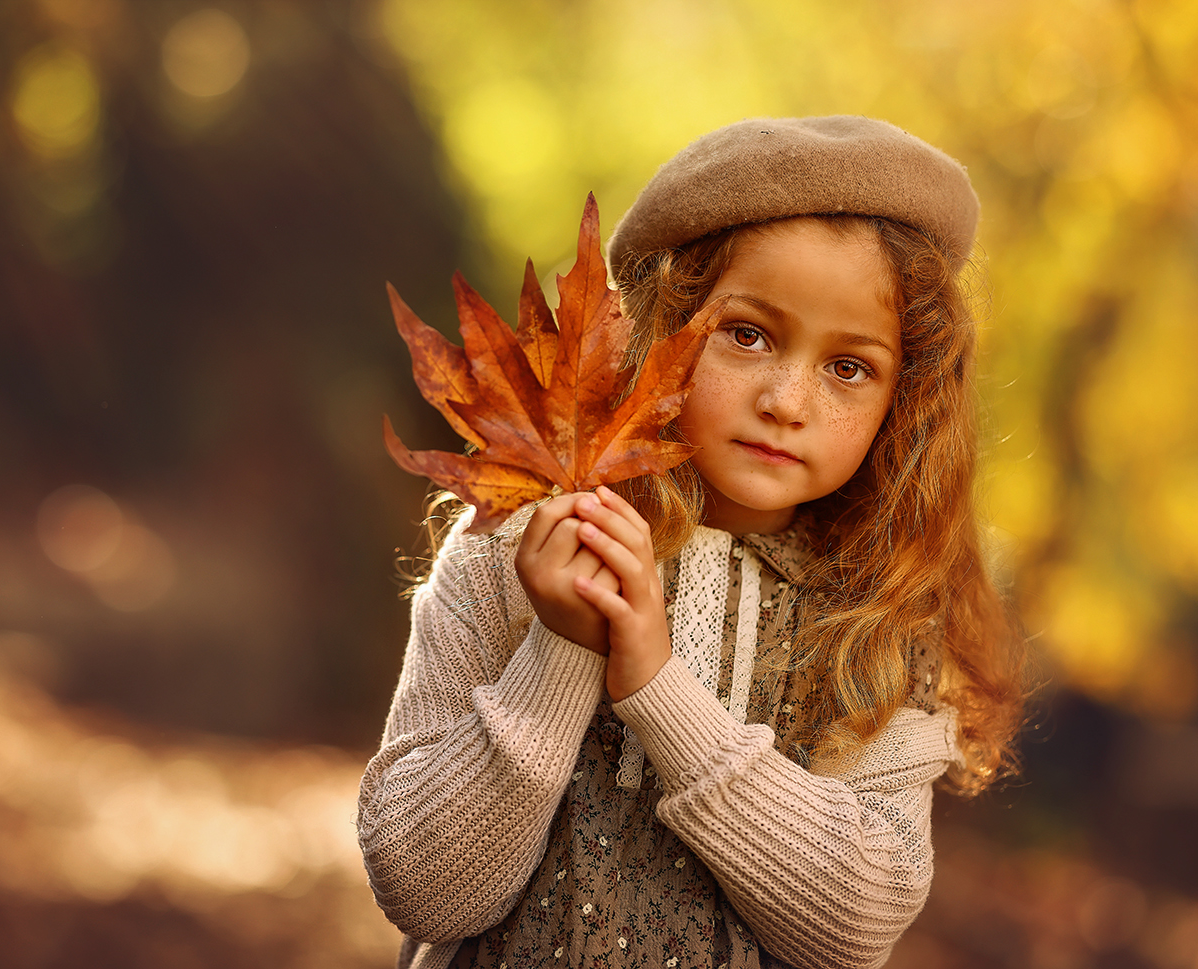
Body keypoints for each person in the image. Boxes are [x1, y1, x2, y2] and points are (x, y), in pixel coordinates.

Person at [358, 116, 1026, 969]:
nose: (787, 400)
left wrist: (657, 689)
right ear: (656, 331)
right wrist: (561, 646)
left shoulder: (879, 618)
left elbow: (853, 928)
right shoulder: (512, 546)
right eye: (745, 335)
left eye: (847, 367)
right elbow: (423, 887)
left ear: (907, 399)